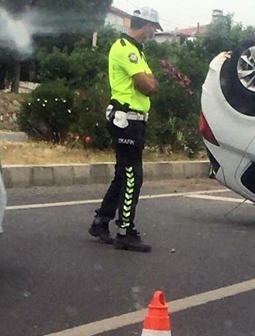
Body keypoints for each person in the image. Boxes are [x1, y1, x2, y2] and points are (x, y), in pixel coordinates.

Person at [88, 7, 162, 252]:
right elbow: (148, 85)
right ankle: (125, 230)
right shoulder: (125, 49)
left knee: (123, 174)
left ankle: (101, 221)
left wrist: (146, 81)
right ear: (147, 26)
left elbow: (150, 83)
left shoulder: (136, 51)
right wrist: (146, 81)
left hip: (134, 119)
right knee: (133, 176)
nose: (153, 33)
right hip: (126, 118)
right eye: (153, 28)